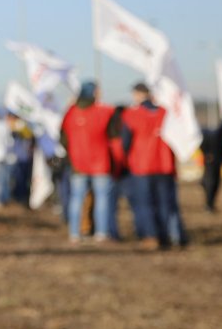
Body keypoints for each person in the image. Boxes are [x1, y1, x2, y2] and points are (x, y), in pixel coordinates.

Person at [121, 82, 185, 249]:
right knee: (164, 202)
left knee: (144, 203)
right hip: (164, 165)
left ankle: (150, 236)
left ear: (137, 95)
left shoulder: (131, 114)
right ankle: (165, 235)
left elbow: (125, 142)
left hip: (141, 165)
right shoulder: (166, 113)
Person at [59, 81, 117, 243]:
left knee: (76, 198)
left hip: (78, 163)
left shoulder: (71, 113)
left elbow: (62, 137)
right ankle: (101, 232)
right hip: (100, 162)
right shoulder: (104, 112)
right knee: (102, 198)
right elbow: (114, 137)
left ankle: (74, 233)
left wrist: (72, 153)